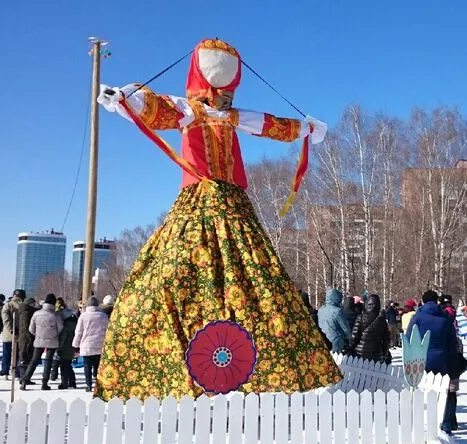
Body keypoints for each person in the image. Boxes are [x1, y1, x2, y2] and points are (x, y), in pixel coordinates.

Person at [95, 38, 337, 400]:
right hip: (198, 199)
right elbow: (155, 106)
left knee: (256, 278)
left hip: (234, 203)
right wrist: (126, 97)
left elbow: (268, 124)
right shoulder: (188, 110)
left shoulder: (234, 117)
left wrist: (303, 129)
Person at [406, 290, 462, 434]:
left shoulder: (417, 318)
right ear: (437, 301)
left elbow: (409, 338)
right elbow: (452, 342)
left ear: (423, 302)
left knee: (422, 390)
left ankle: (423, 422)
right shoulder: (445, 319)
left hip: (421, 359)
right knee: (444, 391)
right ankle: (446, 424)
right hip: (442, 358)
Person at [21, 294, 63, 391]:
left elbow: (31, 329)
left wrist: (38, 335)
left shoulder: (36, 314)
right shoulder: (55, 315)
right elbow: (60, 328)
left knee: (34, 360)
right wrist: (53, 334)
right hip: (52, 341)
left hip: (39, 340)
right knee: (48, 362)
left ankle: (25, 380)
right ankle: (44, 383)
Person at [73, 296, 109, 392]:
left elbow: (79, 332)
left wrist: (75, 345)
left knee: (87, 366)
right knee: (97, 366)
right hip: (100, 345)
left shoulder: (83, 316)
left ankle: (89, 385)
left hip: (86, 345)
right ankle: (98, 384)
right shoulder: (103, 316)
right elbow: (107, 331)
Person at [346, 294, 390, 364]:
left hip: (360, 354)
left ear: (367, 304)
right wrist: (384, 354)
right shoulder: (382, 320)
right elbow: (386, 340)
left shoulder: (360, 317)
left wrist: (349, 348)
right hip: (377, 354)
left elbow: (354, 337)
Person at [317, 289, 350, 353]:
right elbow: (345, 328)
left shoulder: (320, 310)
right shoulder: (338, 311)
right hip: (336, 341)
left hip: (323, 339)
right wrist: (349, 338)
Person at [0, 290, 23, 378]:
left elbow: (5, 319)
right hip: (14, 333)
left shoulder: (8, 305)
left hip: (9, 334)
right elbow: (6, 318)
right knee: (15, 354)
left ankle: (6, 371)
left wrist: (11, 329)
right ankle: (14, 371)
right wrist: (12, 329)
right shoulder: (19, 305)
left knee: (7, 354)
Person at [56, 303, 78, 389]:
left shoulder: (66, 326)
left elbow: (63, 338)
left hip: (65, 347)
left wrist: (59, 347)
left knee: (63, 366)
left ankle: (64, 383)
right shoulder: (75, 323)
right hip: (72, 347)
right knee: (68, 365)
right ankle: (72, 381)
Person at [17, 297, 39, 382]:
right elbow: (25, 327)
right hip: (26, 338)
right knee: (24, 356)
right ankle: (23, 378)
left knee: (26, 356)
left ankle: (24, 377)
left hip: (25, 337)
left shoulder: (26, 311)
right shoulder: (26, 312)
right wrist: (30, 337)